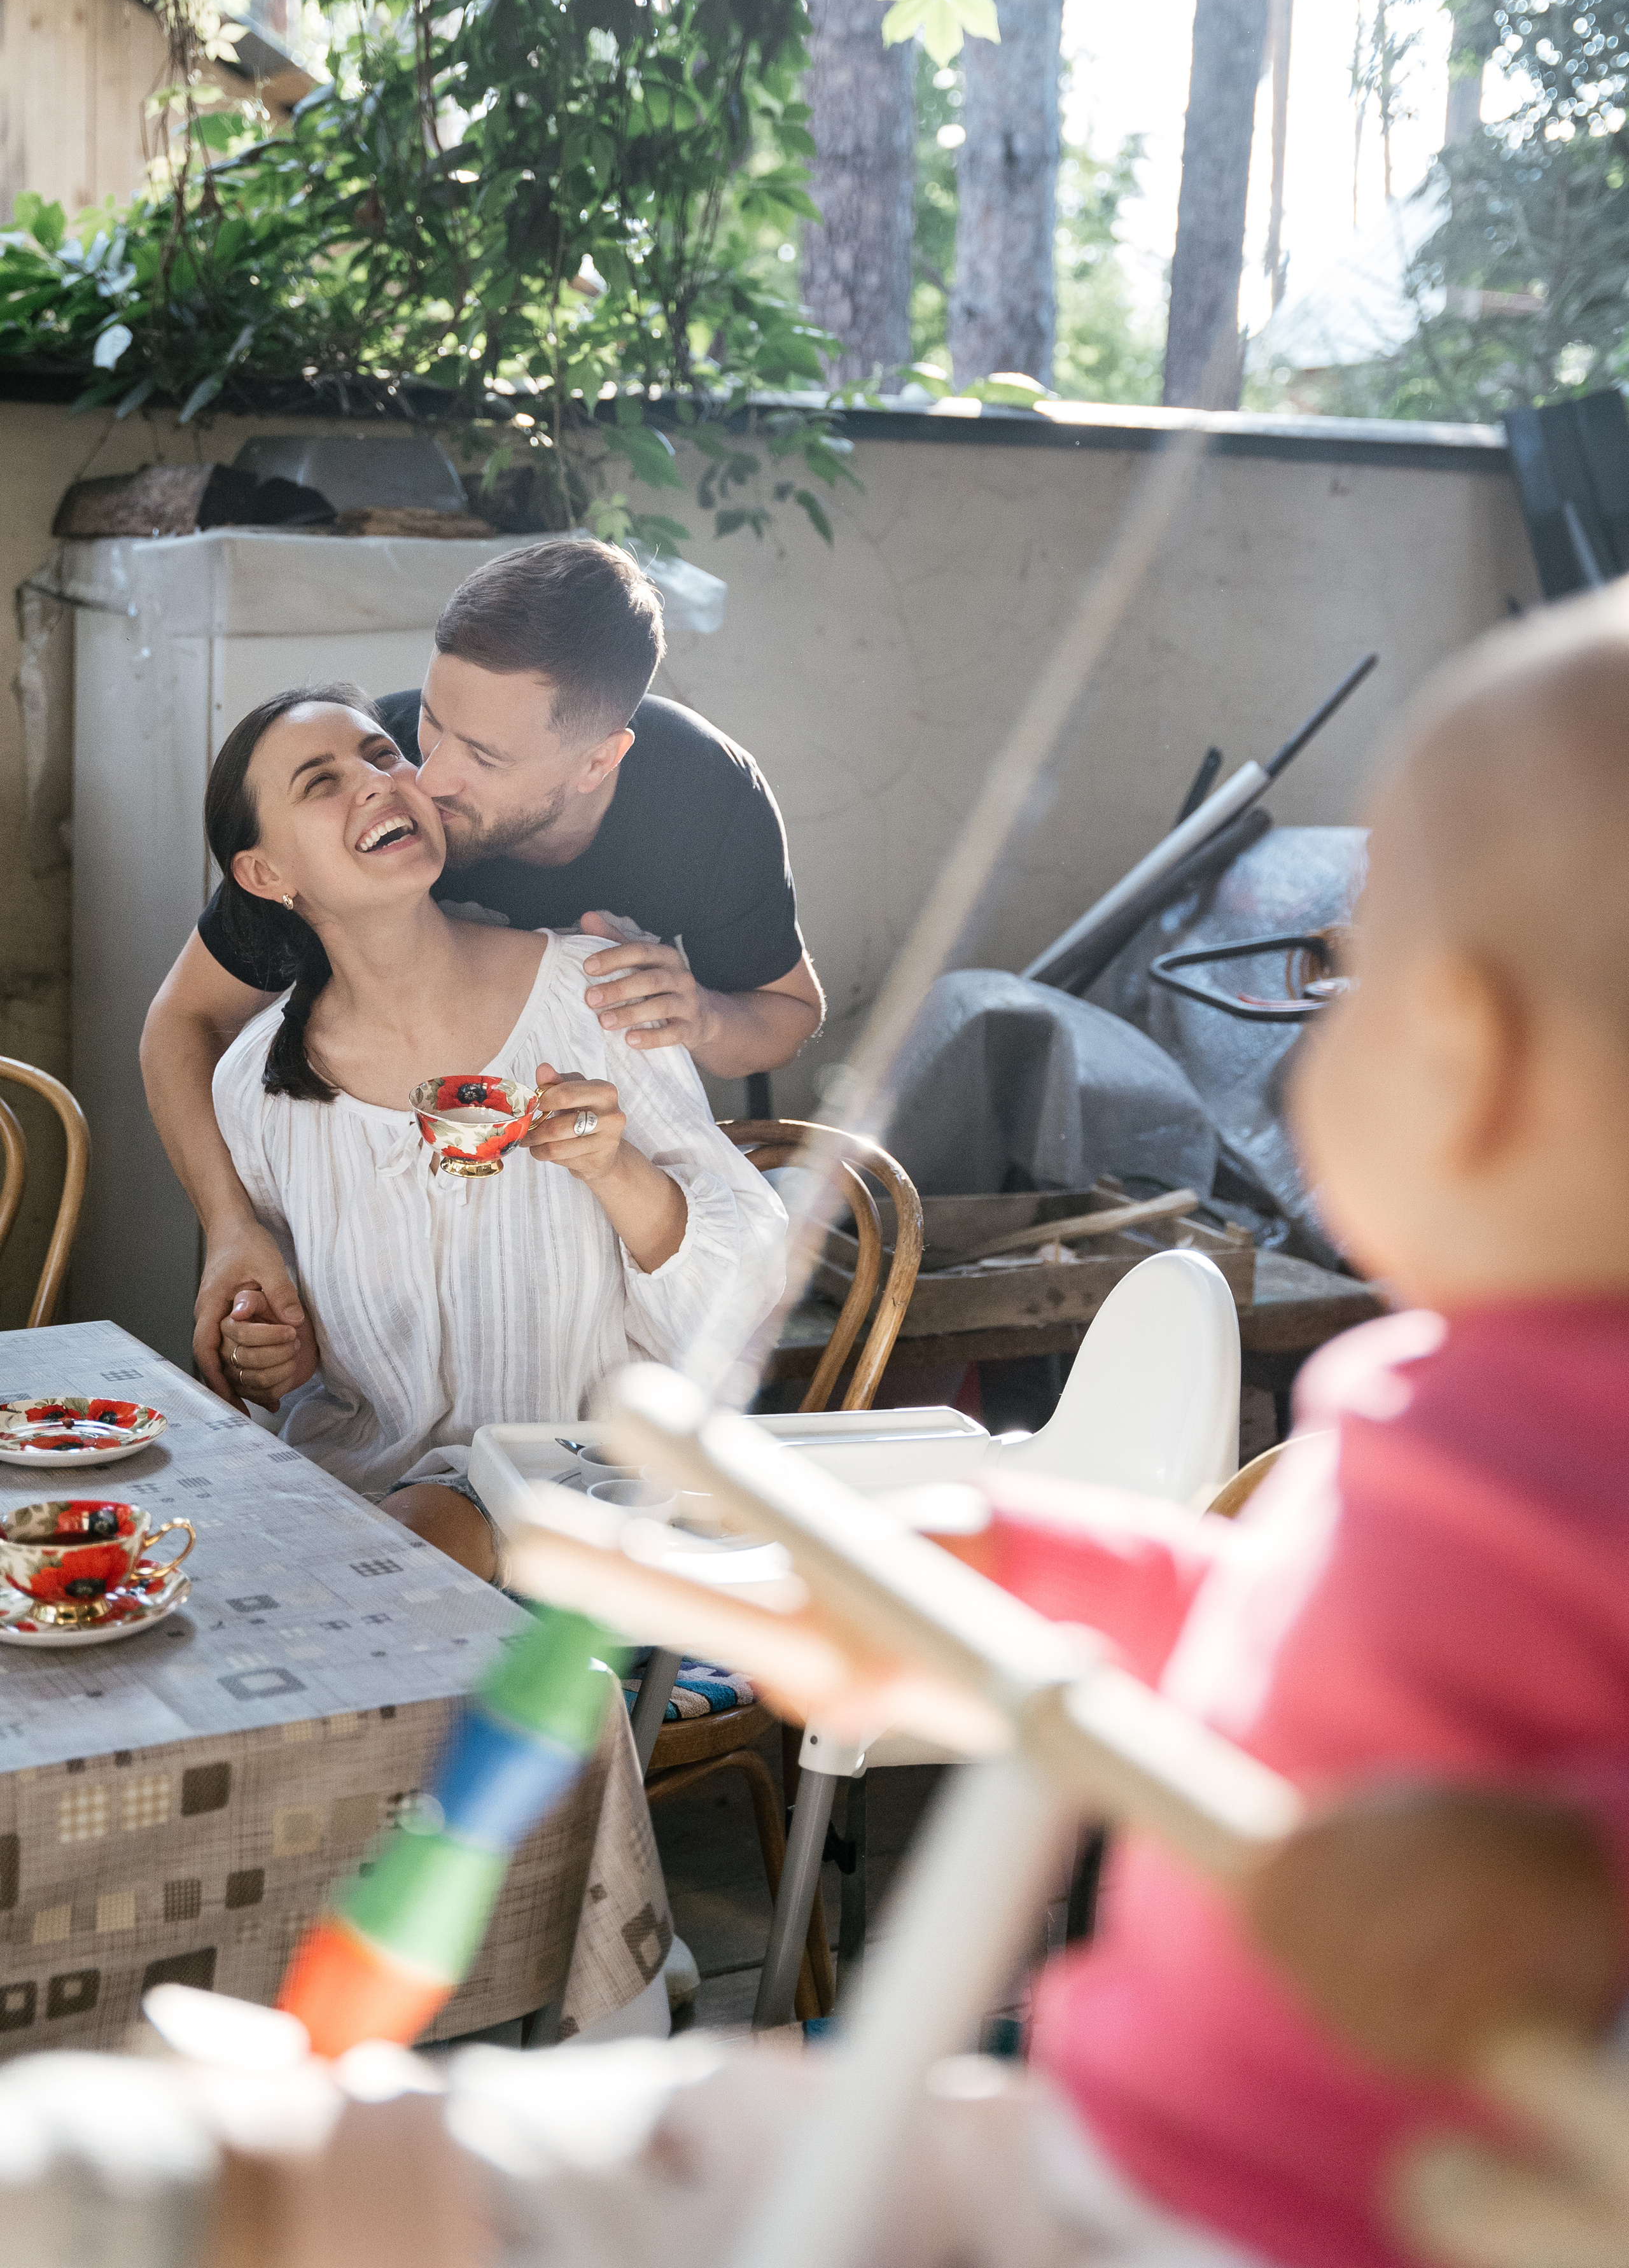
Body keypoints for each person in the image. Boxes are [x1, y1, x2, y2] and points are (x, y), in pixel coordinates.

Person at [436, 594, 1629, 2268]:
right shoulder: (1427, 1379)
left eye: (1338, 975)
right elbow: (1280, 1648)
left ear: (1470, 1051)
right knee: (623, 2144)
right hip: (1129, 2134)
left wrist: (1557, 1892)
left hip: (1307, 2222)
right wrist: (1010, 1560)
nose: (1313, 1027)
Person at [139, 539, 823, 1408]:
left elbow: (789, 1012)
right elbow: (181, 1022)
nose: (427, 777)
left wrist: (699, 1015)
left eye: (486, 758)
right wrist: (233, 1229)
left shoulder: (702, 803)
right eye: (430, 723)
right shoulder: (369, 772)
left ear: (597, 762)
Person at [197, 681, 788, 1579]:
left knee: (408, 1551)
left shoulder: (597, 995)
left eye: (382, 755)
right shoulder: (259, 1086)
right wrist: (267, 1349)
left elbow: (740, 1305)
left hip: (580, 1500)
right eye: (320, 782)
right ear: (265, 875)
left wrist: (615, 1169)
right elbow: (298, 1366)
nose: (375, 781)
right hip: (352, 1504)